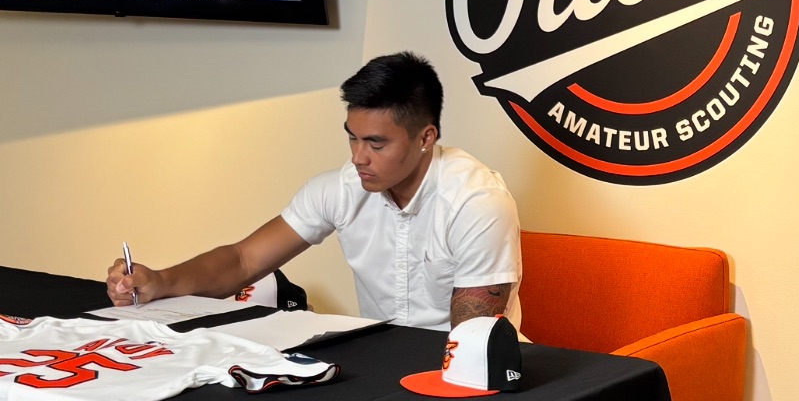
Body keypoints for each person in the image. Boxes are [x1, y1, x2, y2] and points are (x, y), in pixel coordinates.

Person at [108, 53, 522, 330]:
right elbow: (244, 259)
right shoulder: (341, 188)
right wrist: (160, 280)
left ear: (425, 137)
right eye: (352, 138)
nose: (359, 157)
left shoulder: (476, 203)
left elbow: (472, 343)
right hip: (385, 370)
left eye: (376, 144)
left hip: (469, 378)